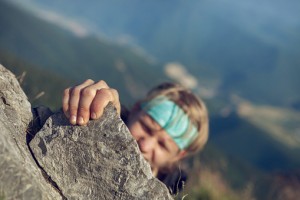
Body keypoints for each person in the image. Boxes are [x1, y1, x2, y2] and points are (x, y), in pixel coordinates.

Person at [62, 79, 209, 194]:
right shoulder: (100, 126)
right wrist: (100, 114)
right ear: (135, 109)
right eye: (146, 127)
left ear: (178, 156)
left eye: (163, 145)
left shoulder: (171, 190)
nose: (145, 146)